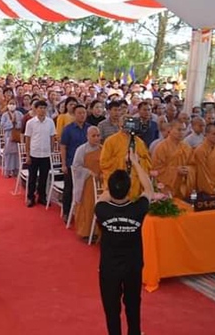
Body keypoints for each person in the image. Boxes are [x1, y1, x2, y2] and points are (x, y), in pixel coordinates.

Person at [94, 151, 154, 335]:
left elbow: (105, 195)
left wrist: (114, 181)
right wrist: (135, 163)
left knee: (111, 309)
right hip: (133, 267)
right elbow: (149, 189)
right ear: (129, 190)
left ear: (110, 189)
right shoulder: (138, 209)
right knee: (133, 305)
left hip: (109, 268)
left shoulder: (102, 210)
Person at [100, 119, 152, 200]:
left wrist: (138, 161)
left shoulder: (139, 142)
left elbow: (148, 162)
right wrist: (122, 160)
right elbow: (104, 164)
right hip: (118, 182)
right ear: (120, 125)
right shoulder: (110, 141)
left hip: (135, 182)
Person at [60, 104, 90, 222]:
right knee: (69, 188)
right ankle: (66, 212)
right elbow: (63, 147)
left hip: (87, 164)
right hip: (71, 163)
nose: (82, 115)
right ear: (74, 114)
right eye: (79, 113)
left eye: (84, 113)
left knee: (85, 190)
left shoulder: (90, 128)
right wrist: (63, 164)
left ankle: (82, 213)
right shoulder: (68, 129)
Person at [24, 100, 56, 207]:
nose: (42, 110)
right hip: (34, 153)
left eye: (44, 108)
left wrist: (51, 151)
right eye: (40, 108)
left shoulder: (50, 122)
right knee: (32, 177)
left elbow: (52, 137)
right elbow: (27, 139)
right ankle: (30, 197)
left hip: (46, 154)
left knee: (44, 177)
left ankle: (42, 196)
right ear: (36, 109)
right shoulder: (30, 123)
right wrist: (27, 155)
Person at [72, 126, 102, 238]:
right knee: (88, 206)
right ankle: (86, 232)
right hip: (86, 182)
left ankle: (98, 232)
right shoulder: (81, 150)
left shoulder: (102, 149)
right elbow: (76, 167)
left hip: (100, 182)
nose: (96, 138)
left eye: (98, 136)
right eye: (93, 136)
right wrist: (89, 172)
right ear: (87, 136)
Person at [152, 119, 194, 198]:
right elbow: (157, 169)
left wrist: (188, 169)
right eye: (179, 130)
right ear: (170, 129)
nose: (181, 132)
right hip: (166, 188)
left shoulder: (187, 147)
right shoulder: (161, 147)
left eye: (184, 130)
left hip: (183, 186)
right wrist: (176, 170)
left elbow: (193, 166)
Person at [0, 99, 23, 178]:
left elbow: (22, 124)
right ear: (7, 105)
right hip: (8, 135)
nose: (12, 105)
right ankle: (7, 170)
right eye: (10, 103)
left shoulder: (19, 114)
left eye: (13, 104)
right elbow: (2, 125)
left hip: (17, 135)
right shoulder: (5, 115)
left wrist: (16, 123)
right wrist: (11, 122)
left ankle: (16, 170)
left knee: (17, 153)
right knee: (8, 153)